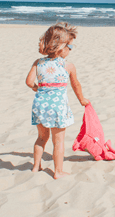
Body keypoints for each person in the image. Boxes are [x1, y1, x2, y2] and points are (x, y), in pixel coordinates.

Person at [25, 22, 90, 179]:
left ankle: (35, 167)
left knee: (41, 138)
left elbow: (28, 81)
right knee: (58, 141)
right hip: (58, 108)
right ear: (61, 47)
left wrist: (36, 88)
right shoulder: (68, 66)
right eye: (70, 47)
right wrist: (82, 100)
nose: (71, 50)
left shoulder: (38, 63)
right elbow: (76, 86)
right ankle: (58, 171)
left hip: (40, 106)